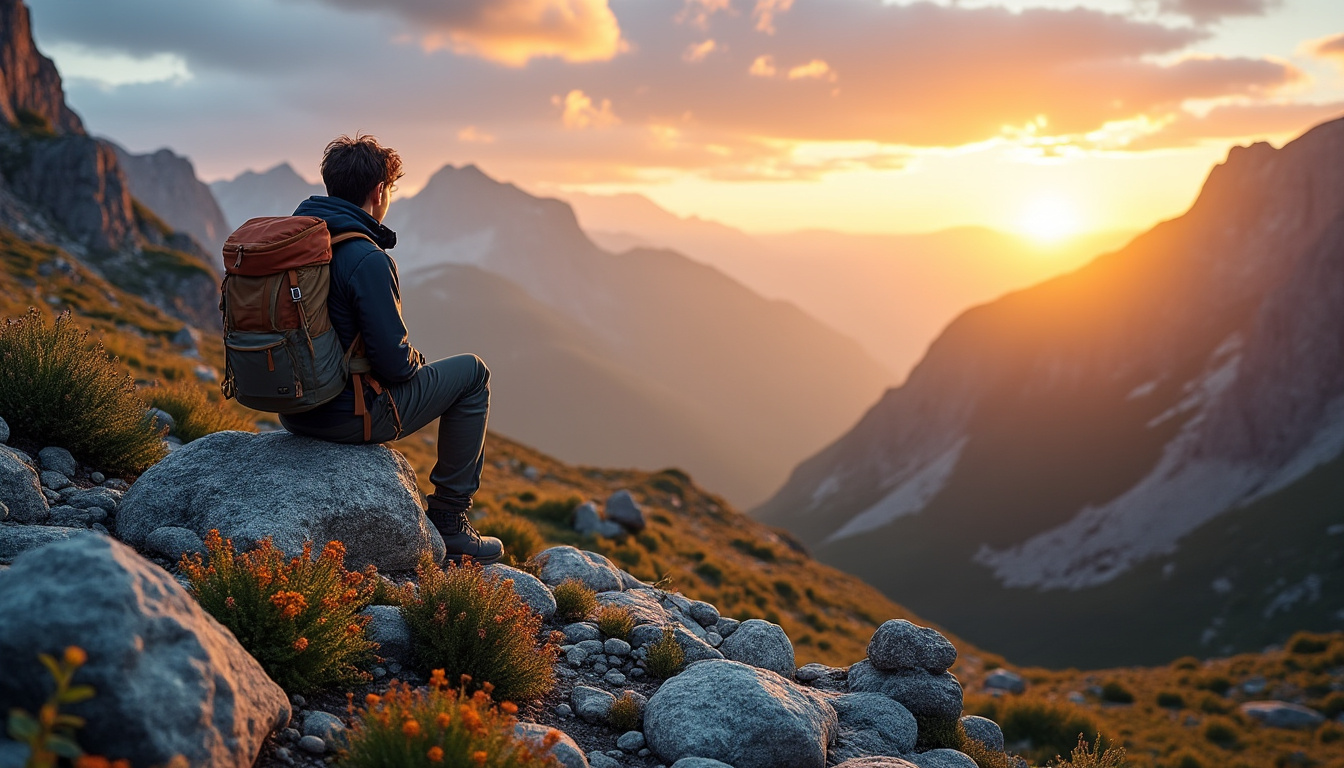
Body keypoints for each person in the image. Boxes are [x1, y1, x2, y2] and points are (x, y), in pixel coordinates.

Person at [279, 134, 503, 565]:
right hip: (347, 417)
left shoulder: (299, 243)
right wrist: (416, 360)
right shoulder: (366, 258)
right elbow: (395, 365)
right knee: (474, 374)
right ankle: (451, 523)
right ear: (379, 191)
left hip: (296, 410)